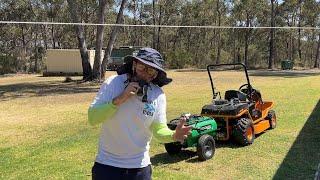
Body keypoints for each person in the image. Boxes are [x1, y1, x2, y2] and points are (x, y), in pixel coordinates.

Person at [88, 47, 192, 180]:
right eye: (142, 67)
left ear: (155, 74)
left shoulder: (157, 95)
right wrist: (119, 99)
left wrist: (173, 135)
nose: (145, 73)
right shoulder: (113, 83)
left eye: (151, 70)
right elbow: (92, 118)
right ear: (134, 64)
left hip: (139, 169)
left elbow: (158, 129)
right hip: (107, 166)